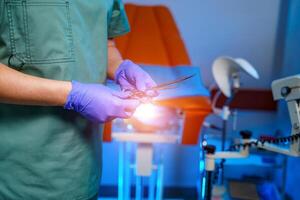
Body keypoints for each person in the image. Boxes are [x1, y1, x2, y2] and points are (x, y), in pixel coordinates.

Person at [0, 0, 157, 199]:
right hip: (17, 177)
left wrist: (119, 67)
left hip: (82, 171)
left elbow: (104, 42)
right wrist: (72, 95)